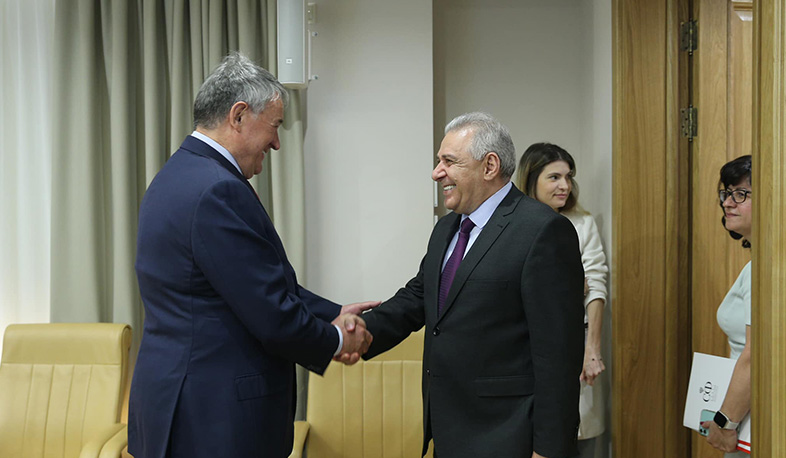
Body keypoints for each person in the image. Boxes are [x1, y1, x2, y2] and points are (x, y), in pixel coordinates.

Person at [128, 53, 376, 458]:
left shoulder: (174, 176)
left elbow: (246, 283)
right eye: (275, 126)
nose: (276, 142)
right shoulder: (217, 190)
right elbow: (269, 311)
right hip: (214, 421)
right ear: (239, 116)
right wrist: (335, 338)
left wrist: (332, 311)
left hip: (178, 406)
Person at [357, 112, 585, 458]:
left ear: (489, 166)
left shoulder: (542, 231)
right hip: (449, 430)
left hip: (508, 435)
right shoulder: (446, 228)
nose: (437, 172)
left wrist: (549, 450)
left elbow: (559, 356)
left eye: (449, 161)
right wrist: (352, 331)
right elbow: (418, 297)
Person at [515, 143, 608, 458]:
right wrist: (569, 286)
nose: (565, 186)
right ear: (531, 180)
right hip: (525, 349)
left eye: (568, 177)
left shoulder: (581, 223)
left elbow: (595, 285)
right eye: (554, 177)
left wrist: (592, 350)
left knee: (572, 436)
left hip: (574, 343)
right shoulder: (513, 226)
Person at [701, 155, 753, 457]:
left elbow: (754, 355)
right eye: (727, 193)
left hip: (750, 419)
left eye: (741, 194)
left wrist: (725, 423)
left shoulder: (765, 271)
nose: (728, 203)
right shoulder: (756, 266)